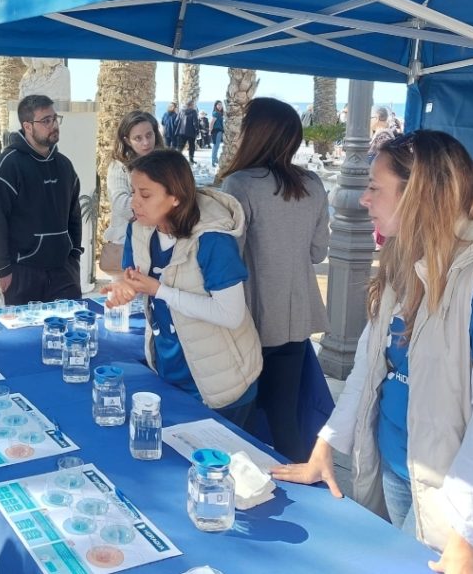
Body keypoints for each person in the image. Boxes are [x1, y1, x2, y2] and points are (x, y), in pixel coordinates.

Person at [272, 131, 473, 574]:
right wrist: (327, 446)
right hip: (397, 467)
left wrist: (465, 539)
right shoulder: (408, 256)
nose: (361, 199)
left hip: (454, 497)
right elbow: (371, 364)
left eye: (374, 187)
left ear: (420, 194)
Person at [102, 149, 262, 426]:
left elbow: (230, 314)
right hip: (169, 368)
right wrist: (124, 288)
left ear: (175, 197)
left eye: (145, 194)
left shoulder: (213, 240)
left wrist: (159, 290)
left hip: (221, 382)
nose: (134, 203)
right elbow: (136, 278)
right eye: (133, 193)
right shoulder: (139, 229)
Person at [220, 97, 330, 461]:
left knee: (241, 419)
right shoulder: (312, 184)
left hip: (251, 316)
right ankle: (295, 488)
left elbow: (226, 258)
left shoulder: (240, 184)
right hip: (296, 317)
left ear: (255, 134)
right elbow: (318, 253)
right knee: (285, 420)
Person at [0, 94, 83, 305]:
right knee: (25, 337)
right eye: (46, 120)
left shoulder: (65, 166)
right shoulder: (6, 168)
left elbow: (74, 215)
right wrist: (2, 270)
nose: (54, 125)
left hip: (63, 272)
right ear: (27, 126)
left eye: (55, 118)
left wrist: (74, 257)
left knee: (69, 333)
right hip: (22, 274)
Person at [102, 110, 164, 274]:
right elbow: (120, 204)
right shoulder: (119, 167)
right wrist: (159, 206)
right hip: (127, 244)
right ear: (127, 140)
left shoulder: (166, 163)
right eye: (138, 138)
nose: (146, 142)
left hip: (160, 241)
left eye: (149, 135)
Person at [181, 100, 199, 164]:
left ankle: (176, 159)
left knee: (181, 146)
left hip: (182, 132)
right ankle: (191, 160)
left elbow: (178, 121)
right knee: (192, 146)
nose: (194, 106)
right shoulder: (193, 111)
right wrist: (197, 131)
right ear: (191, 105)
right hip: (191, 132)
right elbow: (195, 122)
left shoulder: (182, 111)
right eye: (193, 104)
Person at [210, 100, 225, 167]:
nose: (220, 106)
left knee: (216, 146)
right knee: (215, 146)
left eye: (221, 104)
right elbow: (211, 122)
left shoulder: (220, 113)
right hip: (216, 131)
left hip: (219, 131)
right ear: (215, 105)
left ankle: (215, 160)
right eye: (218, 104)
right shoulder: (215, 113)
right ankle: (213, 161)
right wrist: (210, 131)